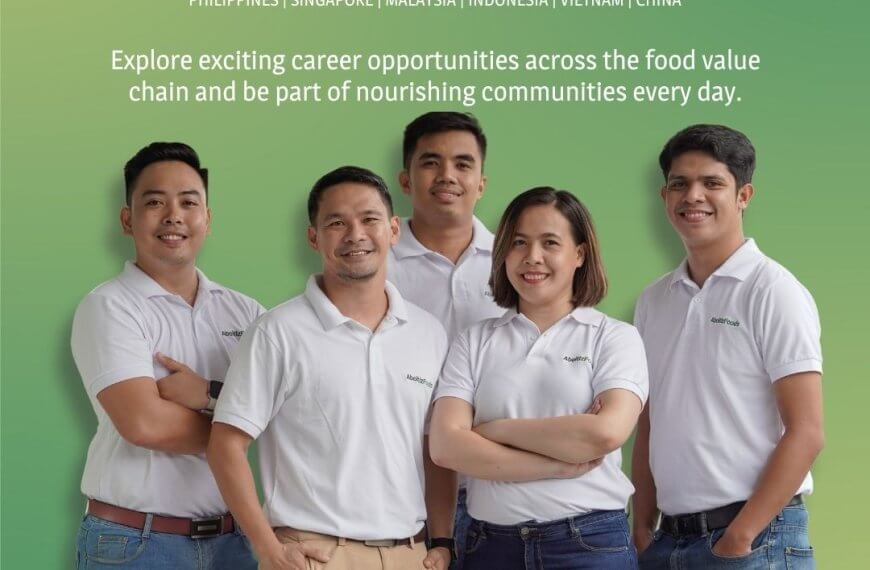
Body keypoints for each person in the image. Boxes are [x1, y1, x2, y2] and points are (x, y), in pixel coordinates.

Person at [207, 166, 457, 570]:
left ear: (393, 230)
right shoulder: (278, 332)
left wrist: (443, 541)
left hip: (412, 554)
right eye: (336, 222)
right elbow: (225, 445)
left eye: (369, 219)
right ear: (313, 237)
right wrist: (269, 549)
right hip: (315, 554)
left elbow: (437, 450)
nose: (355, 234)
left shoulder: (429, 334)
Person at [632, 124, 824, 569]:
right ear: (664, 197)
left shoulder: (772, 291)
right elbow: (649, 417)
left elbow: (808, 430)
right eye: (679, 183)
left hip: (755, 539)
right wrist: (642, 524)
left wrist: (741, 536)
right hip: (669, 541)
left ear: (744, 196)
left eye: (712, 183)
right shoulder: (653, 300)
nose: (693, 195)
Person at [430, 187, 647, 569]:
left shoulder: (613, 337)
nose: (533, 257)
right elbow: (446, 447)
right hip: (489, 546)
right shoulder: (475, 340)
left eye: (550, 243)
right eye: (519, 243)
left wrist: (491, 430)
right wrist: (558, 464)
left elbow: (605, 434)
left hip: (588, 545)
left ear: (580, 253)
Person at [71, 142, 263, 569]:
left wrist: (207, 393)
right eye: (154, 202)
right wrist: (245, 426)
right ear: (127, 220)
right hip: (137, 543)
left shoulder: (246, 311)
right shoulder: (110, 307)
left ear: (207, 219)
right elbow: (146, 424)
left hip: (235, 541)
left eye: (189, 202)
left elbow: (292, 408)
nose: (174, 215)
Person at [390, 111, 505, 567]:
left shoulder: (515, 262)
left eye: (463, 164)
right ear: (405, 178)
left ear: (481, 182)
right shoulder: (373, 261)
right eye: (430, 162)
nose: (447, 176)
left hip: (497, 493)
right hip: (401, 491)